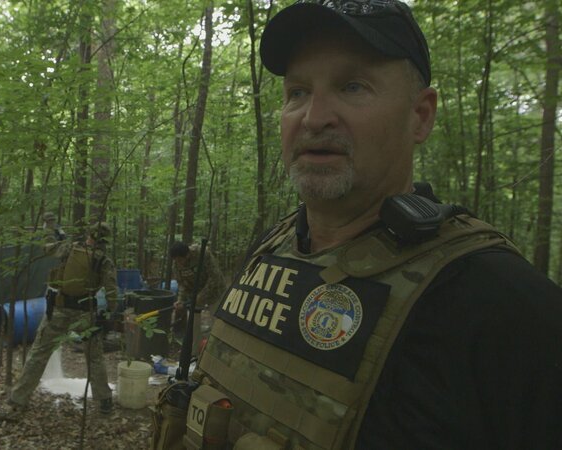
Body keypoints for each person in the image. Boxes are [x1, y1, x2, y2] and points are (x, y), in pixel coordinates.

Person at [152, 2, 562, 449]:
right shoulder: (273, 250)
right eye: (297, 93)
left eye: (352, 86)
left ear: (421, 115)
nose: (313, 117)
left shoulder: (505, 308)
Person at [10, 222, 118, 414]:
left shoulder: (70, 248)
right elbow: (111, 291)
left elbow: (47, 248)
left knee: (39, 353)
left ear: (89, 235)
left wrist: (51, 232)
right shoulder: (104, 261)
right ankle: (104, 402)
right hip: (86, 313)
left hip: (59, 310)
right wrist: (109, 313)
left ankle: (18, 399)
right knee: (95, 358)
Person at [169, 241, 226, 354]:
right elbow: (182, 284)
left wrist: (200, 296)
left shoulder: (203, 254)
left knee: (217, 323)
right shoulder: (176, 264)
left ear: (188, 255)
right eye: (176, 260)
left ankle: (218, 352)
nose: (178, 263)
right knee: (193, 325)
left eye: (180, 260)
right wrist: (180, 300)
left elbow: (214, 278)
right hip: (194, 295)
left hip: (215, 293)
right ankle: (194, 353)